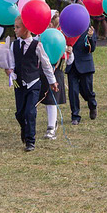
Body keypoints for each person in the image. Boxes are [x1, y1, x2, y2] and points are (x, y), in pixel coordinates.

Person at [7, 16, 58, 151]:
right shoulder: (14, 45)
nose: (15, 30)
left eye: (18, 27)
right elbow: (12, 62)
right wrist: (9, 71)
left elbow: (46, 64)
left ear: (27, 29)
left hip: (33, 83)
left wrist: (52, 81)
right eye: (15, 27)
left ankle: (30, 141)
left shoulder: (37, 45)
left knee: (30, 112)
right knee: (20, 113)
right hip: (19, 84)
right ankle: (24, 128)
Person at [40, 11, 66, 139]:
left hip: (56, 72)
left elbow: (68, 60)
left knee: (52, 99)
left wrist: (69, 52)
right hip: (43, 72)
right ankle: (52, 122)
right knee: (46, 99)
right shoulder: (40, 37)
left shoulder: (60, 38)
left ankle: (51, 127)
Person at [66, 25, 98, 125]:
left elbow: (92, 48)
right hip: (72, 65)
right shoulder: (67, 28)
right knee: (73, 92)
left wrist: (90, 37)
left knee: (87, 90)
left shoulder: (89, 29)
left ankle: (92, 105)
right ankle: (75, 116)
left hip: (85, 65)